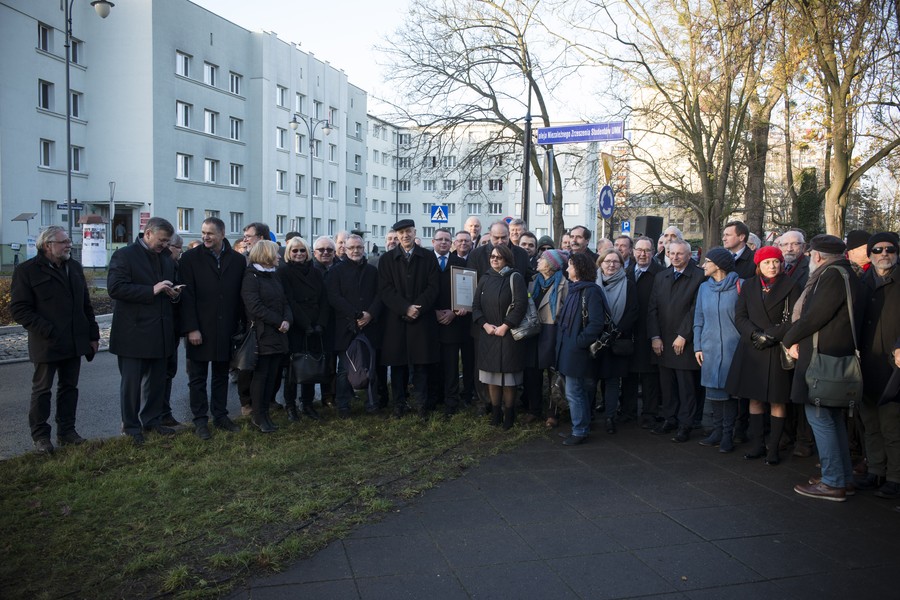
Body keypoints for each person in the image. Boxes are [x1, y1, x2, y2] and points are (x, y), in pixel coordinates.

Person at [784, 235, 863, 502]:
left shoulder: (830, 276)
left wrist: (788, 339)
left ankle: (833, 482)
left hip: (823, 359)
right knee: (831, 419)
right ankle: (842, 477)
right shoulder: (845, 273)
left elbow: (814, 316)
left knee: (820, 417)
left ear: (816, 256)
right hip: (831, 357)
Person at [10, 226, 100, 453]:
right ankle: (41, 437)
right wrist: (47, 330)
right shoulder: (28, 271)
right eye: (63, 242)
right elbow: (20, 309)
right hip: (46, 343)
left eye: (68, 241)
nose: (69, 245)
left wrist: (93, 335)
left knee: (69, 388)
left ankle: (67, 431)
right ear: (47, 245)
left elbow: (85, 306)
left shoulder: (74, 268)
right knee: (42, 390)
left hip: (74, 341)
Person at [108, 217, 182, 445]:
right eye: (161, 240)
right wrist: (151, 290)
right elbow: (116, 288)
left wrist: (174, 293)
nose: (164, 245)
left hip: (160, 331)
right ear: (148, 233)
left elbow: (170, 285)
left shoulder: (166, 259)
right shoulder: (124, 256)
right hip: (133, 332)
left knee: (158, 381)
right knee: (131, 385)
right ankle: (131, 427)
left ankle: (152, 421)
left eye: (167, 241)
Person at [725, 245, 800, 463]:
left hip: (775, 349)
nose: (772, 266)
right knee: (755, 399)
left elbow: (794, 319)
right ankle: (757, 444)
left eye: (776, 261)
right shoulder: (749, 285)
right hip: (752, 348)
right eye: (767, 262)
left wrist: (770, 336)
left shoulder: (792, 285)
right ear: (759, 265)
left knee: (777, 401)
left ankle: (774, 448)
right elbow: (740, 316)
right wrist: (755, 335)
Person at [178, 217, 245, 439]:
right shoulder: (189, 259)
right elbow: (186, 297)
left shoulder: (237, 260)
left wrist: (239, 327)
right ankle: (200, 420)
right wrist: (191, 329)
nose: (205, 237)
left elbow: (238, 296)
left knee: (220, 376)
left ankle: (221, 416)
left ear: (222, 234)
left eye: (210, 233)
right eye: (203, 232)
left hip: (226, 328)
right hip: (200, 329)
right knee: (197, 378)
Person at [378, 219, 440, 418]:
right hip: (396, 320)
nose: (405, 235)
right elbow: (385, 290)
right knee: (398, 367)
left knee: (421, 365)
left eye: (408, 231)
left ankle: (422, 405)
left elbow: (433, 287)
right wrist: (405, 308)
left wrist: (417, 309)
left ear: (415, 232)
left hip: (421, 320)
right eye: (401, 232)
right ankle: (399, 404)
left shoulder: (428, 257)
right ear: (396, 236)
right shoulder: (387, 259)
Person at [648, 239, 705, 442]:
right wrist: (655, 336)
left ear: (689, 256)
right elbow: (653, 308)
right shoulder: (661, 276)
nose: (675, 257)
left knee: (686, 386)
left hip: (685, 342)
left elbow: (695, 309)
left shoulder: (699, 276)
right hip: (663, 340)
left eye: (680, 254)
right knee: (667, 385)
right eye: (671, 253)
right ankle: (669, 419)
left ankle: (685, 424)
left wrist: (684, 335)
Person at [857, 232, 900, 499]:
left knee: (892, 425)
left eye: (890, 249)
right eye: (878, 250)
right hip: (865, 362)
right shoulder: (862, 281)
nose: (884, 254)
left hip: (893, 365)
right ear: (870, 255)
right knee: (869, 422)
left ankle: (895, 476)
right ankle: (875, 470)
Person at [472, 243, 528, 429]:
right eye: (492, 256)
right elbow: (476, 307)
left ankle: (509, 415)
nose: (494, 259)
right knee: (492, 377)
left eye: (499, 257)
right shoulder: (485, 278)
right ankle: (496, 414)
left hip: (508, 334)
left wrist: (506, 326)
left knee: (508, 379)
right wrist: (485, 325)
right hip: (489, 334)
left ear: (507, 259)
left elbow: (521, 305)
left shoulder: (515, 277)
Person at [326, 234, 383, 417]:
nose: (355, 251)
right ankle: (343, 405)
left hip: (370, 325)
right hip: (346, 327)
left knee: (370, 366)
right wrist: (355, 315)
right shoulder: (336, 271)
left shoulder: (372, 271)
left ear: (363, 248)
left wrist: (370, 314)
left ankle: (371, 403)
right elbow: (334, 297)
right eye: (351, 248)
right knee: (344, 369)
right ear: (344, 249)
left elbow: (380, 295)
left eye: (358, 247)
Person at [691, 248, 741, 452]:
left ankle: (728, 434)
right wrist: (698, 346)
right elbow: (698, 319)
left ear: (718, 264)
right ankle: (717, 431)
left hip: (733, 349)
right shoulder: (704, 288)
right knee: (715, 393)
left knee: (730, 394)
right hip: (710, 349)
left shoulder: (741, 286)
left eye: (708, 261)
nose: (703, 265)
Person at [555, 252, 608, 445]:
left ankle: (579, 431)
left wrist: (579, 342)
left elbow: (596, 324)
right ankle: (581, 428)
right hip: (568, 350)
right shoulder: (575, 289)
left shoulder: (591, 291)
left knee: (574, 392)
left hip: (577, 351)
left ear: (580, 269)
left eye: (570, 265)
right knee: (578, 391)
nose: (567, 269)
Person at [241, 240, 291, 433]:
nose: (279, 256)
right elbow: (254, 306)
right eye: (276, 253)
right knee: (261, 376)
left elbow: (284, 301)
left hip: (278, 333)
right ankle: (258, 415)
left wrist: (287, 319)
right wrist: (279, 321)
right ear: (266, 255)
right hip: (262, 334)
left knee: (272, 375)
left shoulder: (274, 276)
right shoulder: (251, 277)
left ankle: (265, 413)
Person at [279, 235, 329, 421]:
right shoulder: (284, 272)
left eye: (302, 250)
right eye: (294, 250)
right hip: (297, 326)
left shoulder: (315, 271)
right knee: (293, 368)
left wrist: (320, 323)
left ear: (307, 252)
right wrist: (305, 324)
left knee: (311, 366)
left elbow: (324, 298)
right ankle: (290, 405)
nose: (299, 254)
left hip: (315, 326)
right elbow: (289, 300)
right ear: (289, 253)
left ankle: (307, 403)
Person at [594, 248, 639, 433]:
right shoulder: (593, 283)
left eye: (616, 262)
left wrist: (616, 331)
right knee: (591, 380)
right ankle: (587, 417)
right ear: (600, 263)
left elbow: (633, 311)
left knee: (613, 381)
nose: (611, 264)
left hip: (617, 339)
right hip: (596, 338)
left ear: (622, 264)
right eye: (607, 261)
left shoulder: (628, 284)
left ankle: (610, 417)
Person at [523, 249, 569, 427]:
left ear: (551, 265)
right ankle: (534, 409)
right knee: (532, 373)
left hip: (552, 332)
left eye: (542, 259)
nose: (538, 260)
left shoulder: (563, 284)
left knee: (553, 375)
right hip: (533, 332)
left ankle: (553, 412)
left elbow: (565, 313)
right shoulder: (533, 281)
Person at [622, 236, 664, 428]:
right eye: (639, 250)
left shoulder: (661, 274)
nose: (642, 254)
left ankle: (649, 413)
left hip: (651, 331)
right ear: (633, 252)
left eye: (647, 250)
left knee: (649, 376)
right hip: (629, 331)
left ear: (653, 252)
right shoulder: (626, 272)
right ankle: (628, 412)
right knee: (628, 375)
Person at [429, 228, 468, 416]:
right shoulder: (425, 262)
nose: (443, 242)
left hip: (453, 322)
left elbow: (466, 292)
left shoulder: (460, 263)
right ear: (433, 241)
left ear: (451, 242)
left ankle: (451, 402)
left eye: (447, 239)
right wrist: (434, 312)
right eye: (440, 239)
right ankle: (434, 397)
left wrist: (454, 312)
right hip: (429, 321)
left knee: (452, 364)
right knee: (432, 363)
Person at [161, 233, 184, 427]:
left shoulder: (176, 265)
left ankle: (164, 411)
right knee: (157, 374)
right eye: (178, 248)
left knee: (169, 371)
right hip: (159, 327)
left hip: (174, 327)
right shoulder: (162, 265)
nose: (180, 251)